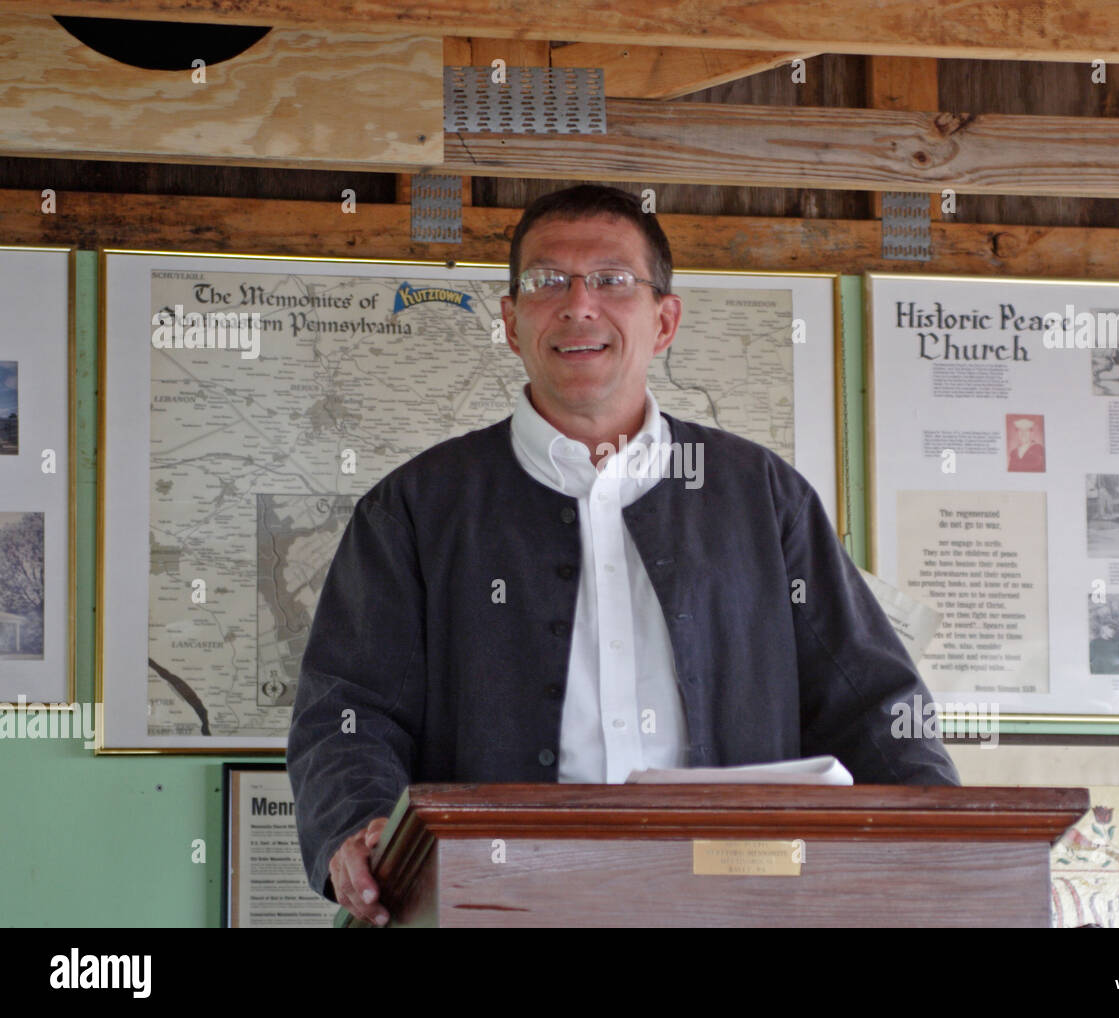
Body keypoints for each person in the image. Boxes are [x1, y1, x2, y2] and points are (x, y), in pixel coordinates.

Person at [287, 185, 959, 925]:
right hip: (496, 905)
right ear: (511, 323)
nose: (579, 305)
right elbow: (348, 709)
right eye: (548, 282)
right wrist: (357, 824)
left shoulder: (762, 497)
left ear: (664, 320)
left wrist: (954, 843)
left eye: (611, 280)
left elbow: (872, 701)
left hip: (735, 905)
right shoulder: (413, 508)